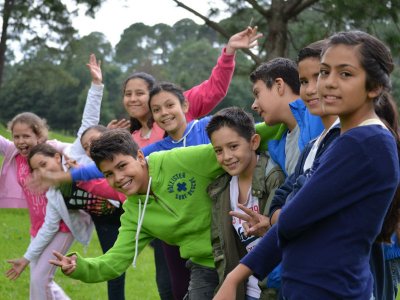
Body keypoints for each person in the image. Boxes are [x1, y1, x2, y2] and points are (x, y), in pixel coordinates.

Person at [213, 30, 400, 299]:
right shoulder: (342, 141)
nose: (327, 83)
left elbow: (291, 218)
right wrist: (235, 277)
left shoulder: (363, 142)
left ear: (374, 87)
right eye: (324, 72)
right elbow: (292, 213)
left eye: (345, 74)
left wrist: (237, 274)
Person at [48, 128, 227, 299]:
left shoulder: (178, 160)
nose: (118, 177)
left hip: (241, 247)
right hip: (205, 265)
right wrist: (80, 267)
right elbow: (114, 261)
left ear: (140, 157)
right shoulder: (134, 213)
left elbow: (233, 145)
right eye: (108, 174)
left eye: (122, 166)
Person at [205, 107, 285, 300]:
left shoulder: (273, 178)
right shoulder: (222, 190)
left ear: (254, 142)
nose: (226, 157)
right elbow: (221, 248)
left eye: (233, 146)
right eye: (218, 150)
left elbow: (285, 235)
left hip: (274, 289)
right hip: (245, 290)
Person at [5, 143, 94, 300]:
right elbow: (49, 226)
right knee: (38, 280)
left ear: (57, 157)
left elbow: (80, 139)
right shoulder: (52, 193)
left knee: (40, 280)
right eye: (37, 170)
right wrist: (26, 258)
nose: (43, 172)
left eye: (44, 164)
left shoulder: (74, 164)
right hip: (49, 229)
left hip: (71, 229)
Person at [0, 112, 71, 298]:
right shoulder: (12, 153)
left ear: (39, 136)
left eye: (26, 136)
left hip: (61, 226)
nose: (21, 141)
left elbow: (76, 147)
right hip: (38, 226)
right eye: (16, 136)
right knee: (40, 280)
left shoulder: (50, 151)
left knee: (40, 280)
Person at [250, 57, 324, 175]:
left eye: (257, 94)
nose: (253, 105)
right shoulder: (280, 147)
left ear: (279, 85)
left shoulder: (321, 117)